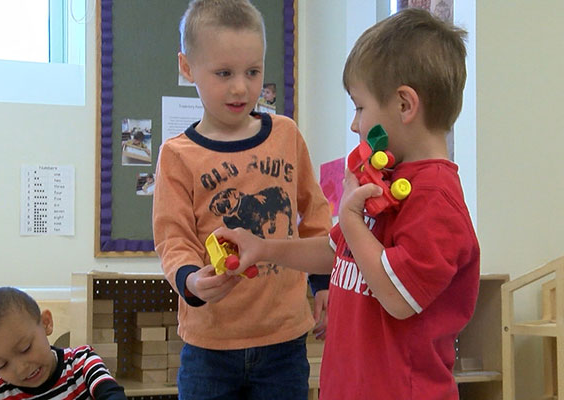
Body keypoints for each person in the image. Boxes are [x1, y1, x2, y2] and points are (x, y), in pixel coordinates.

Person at [215, 8, 480, 400]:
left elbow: (397, 296)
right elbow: (336, 251)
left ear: (405, 105)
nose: (355, 125)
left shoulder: (437, 197)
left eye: (360, 107)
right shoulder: (390, 178)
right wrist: (264, 248)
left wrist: (351, 219)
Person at [152, 0, 332, 399]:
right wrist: (191, 280)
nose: (240, 87)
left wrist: (323, 282)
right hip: (209, 348)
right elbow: (173, 238)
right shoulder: (177, 155)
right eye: (223, 73)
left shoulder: (286, 134)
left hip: (283, 341)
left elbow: (315, 211)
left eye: (253, 72)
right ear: (187, 68)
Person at [0, 287, 127, 400]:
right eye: (1, 365)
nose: (21, 368)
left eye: (25, 348)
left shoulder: (82, 362)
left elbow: (111, 394)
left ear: (45, 323)